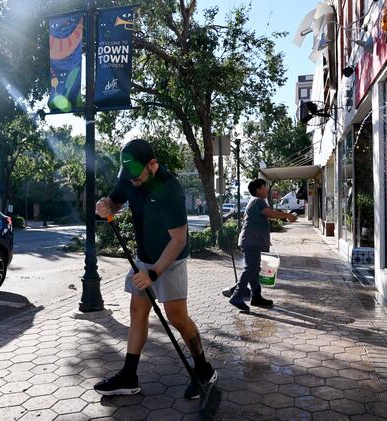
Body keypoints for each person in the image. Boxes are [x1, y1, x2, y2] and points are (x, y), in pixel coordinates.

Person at [94, 138, 217, 400]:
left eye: (137, 176)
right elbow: (116, 201)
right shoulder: (129, 177)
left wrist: (153, 273)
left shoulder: (169, 189)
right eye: (128, 176)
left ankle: (204, 369)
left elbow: (179, 239)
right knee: (137, 311)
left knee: (176, 316)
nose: (132, 181)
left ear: (152, 165)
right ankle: (129, 376)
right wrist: (105, 205)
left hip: (170, 260)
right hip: (144, 258)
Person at [223, 178, 297, 311]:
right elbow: (270, 214)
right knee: (251, 268)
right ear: (258, 189)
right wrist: (287, 215)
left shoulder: (256, 202)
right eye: (265, 187)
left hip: (252, 241)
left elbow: (259, 221)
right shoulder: (258, 201)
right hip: (251, 241)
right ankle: (237, 295)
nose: (267, 189)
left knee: (255, 269)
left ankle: (256, 297)